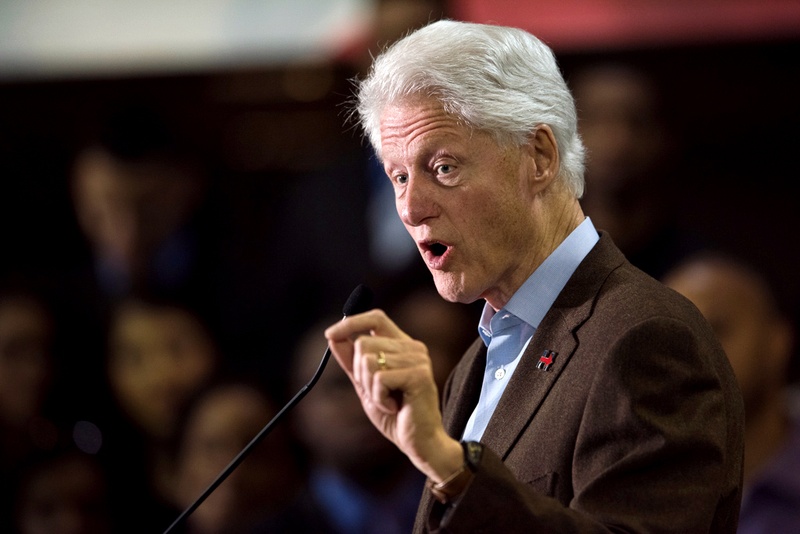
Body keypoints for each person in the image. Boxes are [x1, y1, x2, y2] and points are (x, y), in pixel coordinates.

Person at [322, 19, 745, 533]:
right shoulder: (477, 362)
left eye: (443, 168)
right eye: (400, 175)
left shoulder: (649, 338)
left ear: (539, 157)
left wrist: (452, 468)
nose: (409, 208)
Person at [662, 251, 800, 534]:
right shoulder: (632, 494)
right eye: (674, 337)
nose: (692, 355)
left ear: (777, 342)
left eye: (717, 328)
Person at [571, 62, 708, 280]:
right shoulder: (535, 264)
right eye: (596, 120)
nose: (617, 141)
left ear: (665, 138)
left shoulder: (700, 273)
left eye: (636, 122)